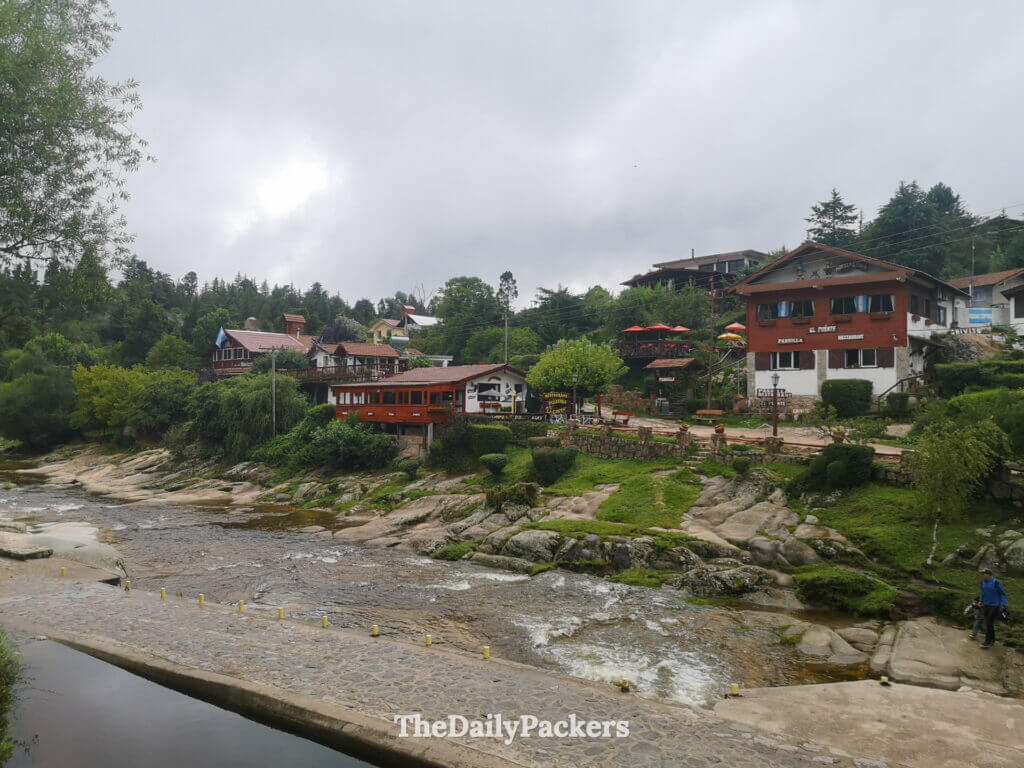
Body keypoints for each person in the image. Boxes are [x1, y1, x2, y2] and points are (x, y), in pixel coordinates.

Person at [978, 568, 1009, 648]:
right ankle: (992, 640)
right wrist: (981, 601)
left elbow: (1003, 594)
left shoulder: (996, 582)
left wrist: (1004, 604)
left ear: (989, 575)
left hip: (995, 606)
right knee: (989, 624)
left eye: (983, 574)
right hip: (986, 605)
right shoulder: (983, 582)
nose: (982, 575)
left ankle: (987, 642)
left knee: (988, 623)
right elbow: (984, 593)